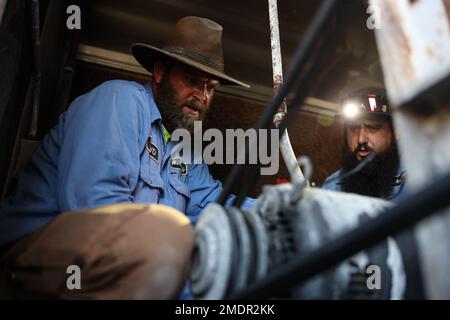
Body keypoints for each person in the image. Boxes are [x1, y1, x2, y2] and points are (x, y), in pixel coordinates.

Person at [0, 16, 253, 299]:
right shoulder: (120, 101)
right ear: (159, 72)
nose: (202, 96)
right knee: (169, 247)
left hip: (131, 261)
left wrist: (282, 211)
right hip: (31, 260)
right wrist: (185, 244)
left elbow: (215, 205)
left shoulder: (186, 149)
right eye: (192, 80)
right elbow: (96, 211)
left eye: (211, 87)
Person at [322, 87, 424, 299]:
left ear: (395, 131)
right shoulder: (332, 187)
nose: (361, 138)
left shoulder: (420, 179)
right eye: (353, 129)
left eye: (373, 128)